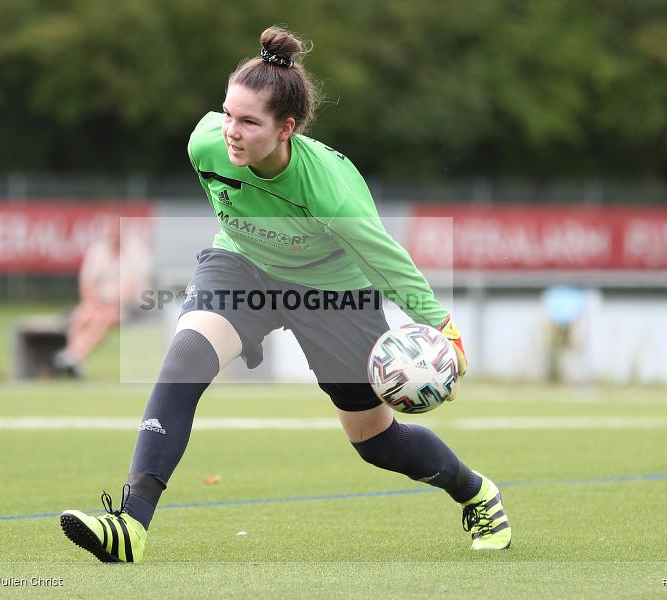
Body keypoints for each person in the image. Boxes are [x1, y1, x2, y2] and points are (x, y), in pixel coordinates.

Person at [60, 26, 511, 562]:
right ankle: (130, 525)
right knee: (184, 360)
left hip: (332, 292)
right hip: (242, 267)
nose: (232, 131)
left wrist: (443, 329)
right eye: (228, 114)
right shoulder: (205, 144)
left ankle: (476, 492)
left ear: (286, 129)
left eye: (249, 122)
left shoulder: (329, 189)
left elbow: (387, 262)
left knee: (377, 443)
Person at [54, 214, 149, 378]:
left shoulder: (136, 252)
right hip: (99, 304)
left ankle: (73, 356)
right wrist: (93, 304)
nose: (115, 233)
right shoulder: (97, 252)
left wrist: (110, 304)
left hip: (129, 306)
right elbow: (87, 284)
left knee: (104, 318)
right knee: (81, 316)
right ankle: (75, 360)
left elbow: (132, 288)